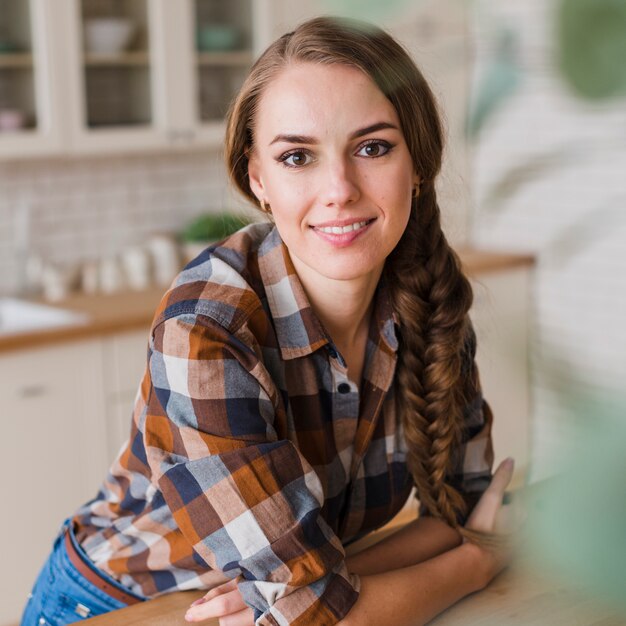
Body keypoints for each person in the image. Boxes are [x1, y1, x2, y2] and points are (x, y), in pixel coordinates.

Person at [21, 16, 518, 626]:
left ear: (418, 161)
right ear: (258, 180)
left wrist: (325, 591)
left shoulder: (428, 296)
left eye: (372, 147)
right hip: (116, 608)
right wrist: (473, 566)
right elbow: (464, 545)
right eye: (296, 156)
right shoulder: (206, 330)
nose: (339, 189)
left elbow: (461, 516)